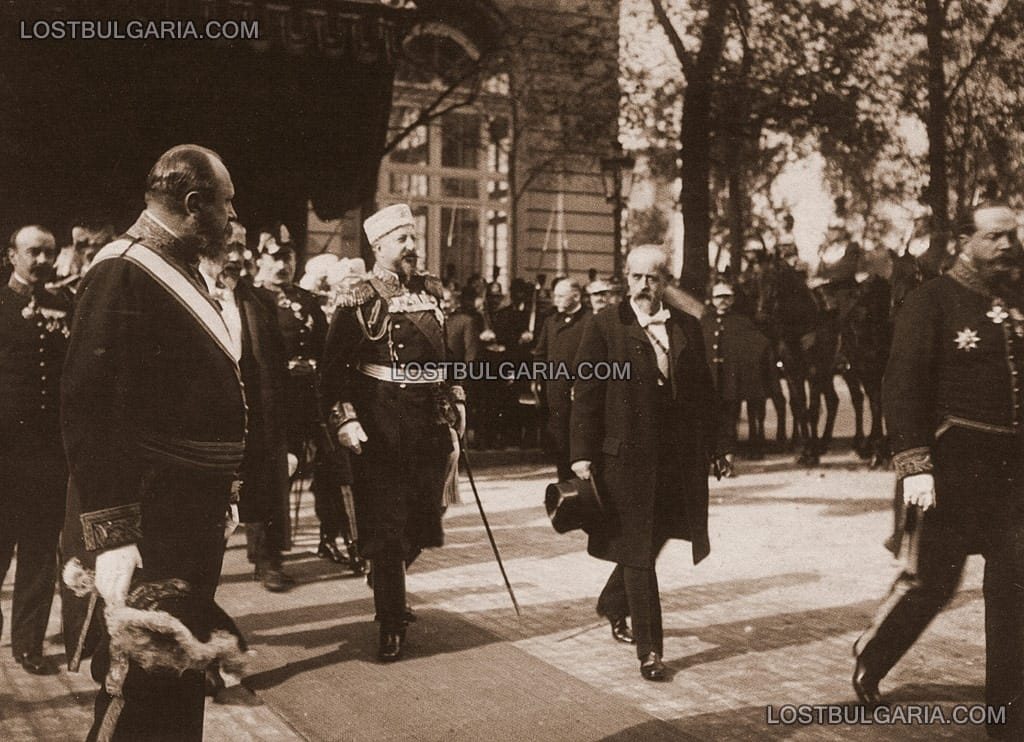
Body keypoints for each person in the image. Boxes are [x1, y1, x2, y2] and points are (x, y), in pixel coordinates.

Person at [61, 144, 244, 740]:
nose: (233, 217)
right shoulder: (122, 269)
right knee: (137, 685)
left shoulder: (182, 269)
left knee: (180, 680)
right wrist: (113, 534)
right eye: (227, 205)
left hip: (186, 514)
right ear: (195, 205)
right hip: (148, 521)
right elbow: (88, 409)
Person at [853, 202, 1024, 740]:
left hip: (1011, 473)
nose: (1007, 247)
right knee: (933, 582)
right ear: (964, 242)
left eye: (1012, 237)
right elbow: (902, 385)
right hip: (950, 468)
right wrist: (915, 465)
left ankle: (1008, 714)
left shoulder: (1017, 300)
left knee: (1014, 586)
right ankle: (873, 654)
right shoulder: (931, 301)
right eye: (995, 237)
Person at [320, 203, 465, 662]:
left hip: (429, 424)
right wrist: (345, 419)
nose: (411, 247)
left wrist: (456, 397)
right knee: (386, 527)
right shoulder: (359, 298)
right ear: (378, 247)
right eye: (401, 240)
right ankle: (391, 618)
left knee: (422, 523)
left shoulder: (431, 291)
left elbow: (446, 357)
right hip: (381, 427)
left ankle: (385, 572)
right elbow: (331, 374)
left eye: (413, 238)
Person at [570, 245, 717, 681]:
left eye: (652, 279)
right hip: (625, 462)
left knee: (653, 541)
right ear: (626, 279)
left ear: (664, 281)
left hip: (674, 462)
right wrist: (580, 454)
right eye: (636, 278)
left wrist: (719, 448)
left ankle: (614, 600)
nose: (643, 287)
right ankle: (650, 652)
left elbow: (705, 395)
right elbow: (587, 394)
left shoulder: (685, 325)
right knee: (639, 552)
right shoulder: (606, 326)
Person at [199, 228, 293, 593]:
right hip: (209, 417)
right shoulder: (190, 297)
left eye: (240, 248)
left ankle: (268, 560)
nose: (236, 257)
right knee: (211, 497)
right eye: (227, 248)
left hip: (257, 411)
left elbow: (278, 367)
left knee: (263, 487)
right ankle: (203, 569)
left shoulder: (259, 301)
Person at [253, 228, 348, 567]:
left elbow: (326, 347)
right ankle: (268, 555)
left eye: (288, 257)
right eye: (276, 258)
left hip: (312, 399)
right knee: (278, 471)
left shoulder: (307, 301)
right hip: (278, 401)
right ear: (261, 259)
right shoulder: (253, 299)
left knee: (333, 465)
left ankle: (331, 538)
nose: (283, 265)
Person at [0, 225, 71, 675]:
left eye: (48, 253)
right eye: (33, 252)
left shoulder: (66, 304)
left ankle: (28, 644)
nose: (42, 260)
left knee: (41, 552)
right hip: (4, 452)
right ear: (11, 255)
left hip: (48, 455)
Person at [700, 282, 773, 467]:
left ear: (732, 299)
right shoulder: (704, 322)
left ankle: (727, 462)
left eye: (726, 297)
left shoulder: (742, 322)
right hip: (709, 382)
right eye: (718, 297)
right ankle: (709, 459)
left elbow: (759, 346)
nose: (722, 301)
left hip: (731, 382)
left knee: (730, 423)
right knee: (708, 420)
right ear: (711, 300)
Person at [533, 277, 587, 480]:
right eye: (554, 295)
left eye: (561, 296)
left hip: (580, 392)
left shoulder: (590, 320)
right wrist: (539, 382)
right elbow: (540, 353)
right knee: (561, 444)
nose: (555, 300)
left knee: (580, 445)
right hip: (556, 394)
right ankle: (565, 490)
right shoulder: (551, 321)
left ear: (576, 296)